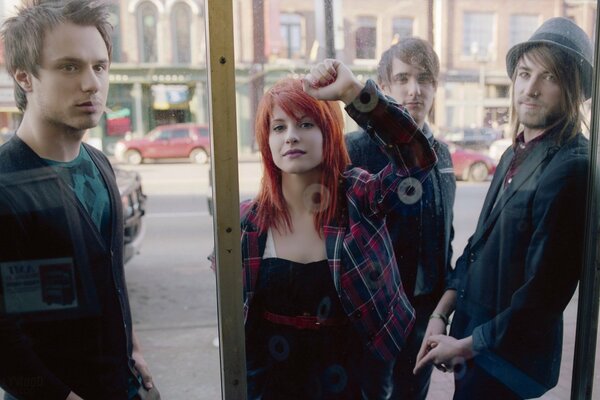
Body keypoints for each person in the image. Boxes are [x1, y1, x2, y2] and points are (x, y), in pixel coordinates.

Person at [217, 58, 437, 399]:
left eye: (305, 124)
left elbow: (417, 158)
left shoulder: (359, 198)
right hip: (274, 385)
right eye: (278, 127)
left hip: (353, 381)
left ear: (328, 133)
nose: (291, 136)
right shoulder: (247, 222)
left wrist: (353, 92)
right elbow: (237, 318)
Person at [414, 17, 591, 399]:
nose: (530, 88)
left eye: (550, 77)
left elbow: (542, 296)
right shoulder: (514, 151)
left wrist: (462, 345)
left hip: (507, 364)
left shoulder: (571, 166)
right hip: (474, 346)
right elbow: (478, 246)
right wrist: (439, 316)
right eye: (525, 73)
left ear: (573, 88)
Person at [0, 1, 158, 399]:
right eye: (69, 67)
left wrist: (133, 349)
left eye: (100, 66)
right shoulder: (6, 183)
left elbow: (109, 279)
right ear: (25, 78)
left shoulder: (99, 164)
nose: (92, 83)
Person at [345, 37, 456, 400]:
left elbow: (446, 232)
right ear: (384, 85)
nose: (415, 90)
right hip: (371, 313)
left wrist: (441, 307)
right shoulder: (356, 149)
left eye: (425, 79)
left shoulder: (441, 154)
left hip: (423, 312)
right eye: (403, 78)